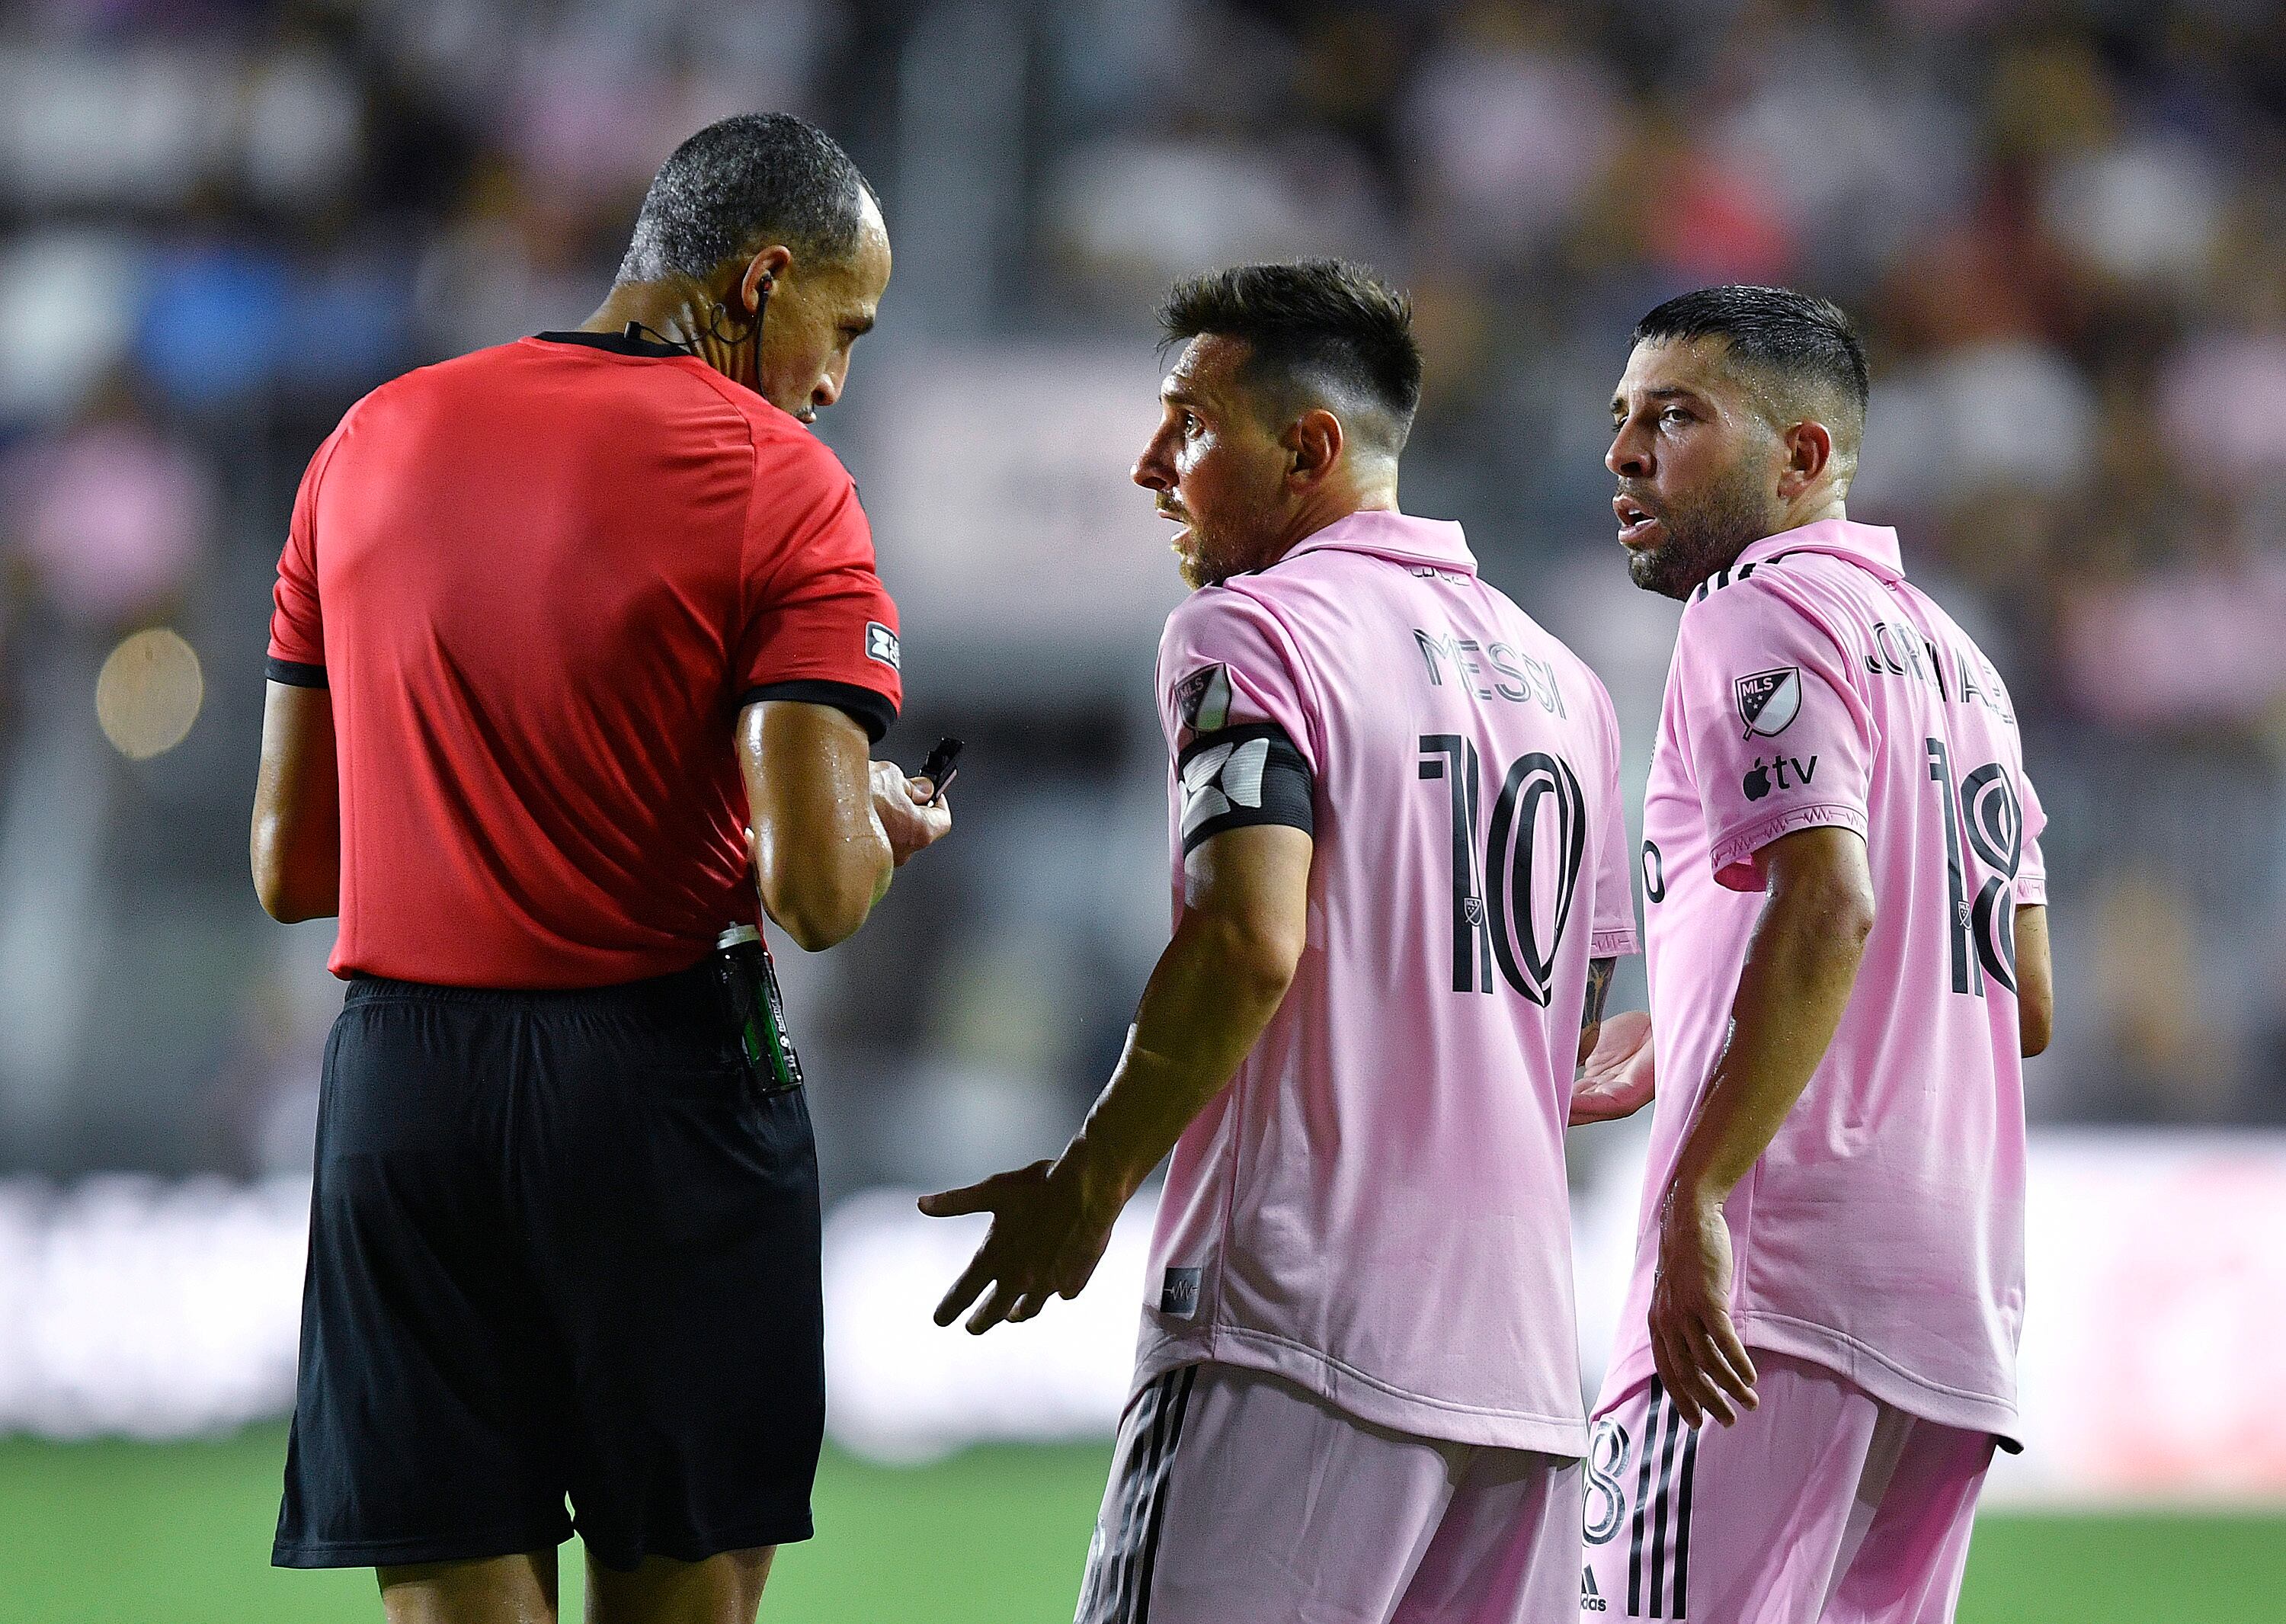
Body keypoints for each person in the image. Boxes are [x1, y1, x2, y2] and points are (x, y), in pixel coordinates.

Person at [250, 113, 950, 1624]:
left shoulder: (368, 441)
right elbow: (817, 895)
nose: (835, 380)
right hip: (662, 1090)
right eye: (844, 328)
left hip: (402, 1093)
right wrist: (874, 825)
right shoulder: (783, 478)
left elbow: (291, 862)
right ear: (761, 281)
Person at [921, 260, 1650, 1622]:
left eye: (1189, 423)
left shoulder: (1252, 631)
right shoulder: (1564, 681)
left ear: (1309, 446)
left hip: (1293, 1334)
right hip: (1524, 1373)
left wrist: (1090, 1184)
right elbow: (1582, 1026)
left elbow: (1248, 939)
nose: (1151, 465)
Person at [1583, 286, 2054, 1623]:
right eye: (1621, 419)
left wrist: (1700, 1193)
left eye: (1676, 418)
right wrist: (1692, 1010)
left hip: (1775, 1282)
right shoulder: (1967, 667)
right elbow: (2019, 999)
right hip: (1952, 1301)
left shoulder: (1753, 604)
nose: (1625, 453)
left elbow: (1832, 905)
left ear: (1800, 457)